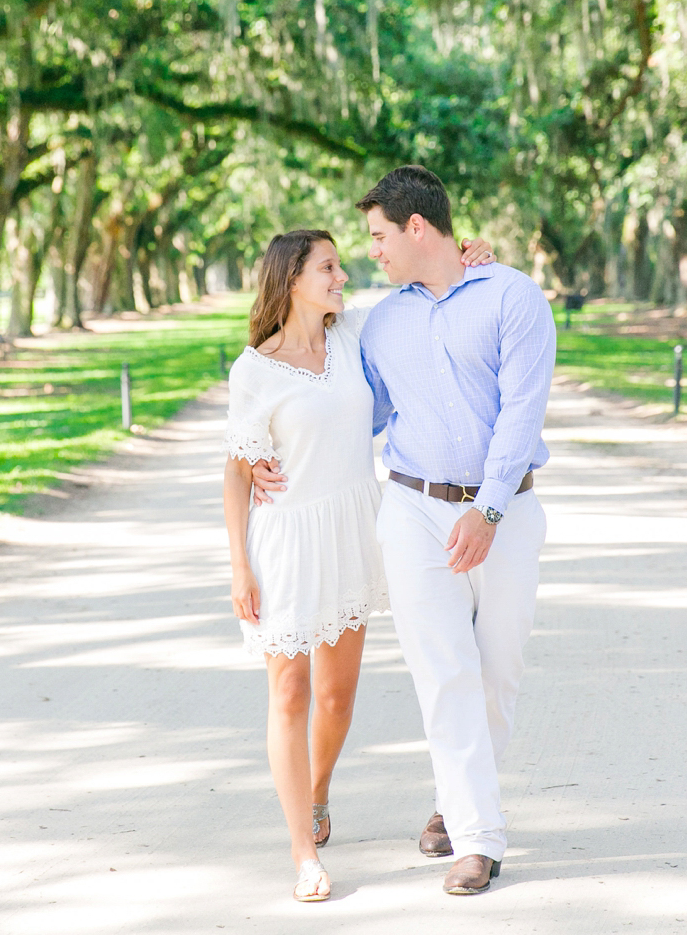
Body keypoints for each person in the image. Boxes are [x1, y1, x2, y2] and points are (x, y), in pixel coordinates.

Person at [253, 165, 555, 896]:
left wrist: (486, 511)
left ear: (417, 228)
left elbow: (521, 411)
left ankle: (457, 802)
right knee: (443, 670)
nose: (372, 254)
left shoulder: (515, 297)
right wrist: (265, 452)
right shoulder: (381, 320)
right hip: (414, 508)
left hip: (506, 509)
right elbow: (346, 401)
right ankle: (477, 838)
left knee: (496, 670)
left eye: (380, 236)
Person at [222, 227, 494, 903]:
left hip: (352, 532)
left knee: (338, 697)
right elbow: (234, 472)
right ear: (290, 279)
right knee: (289, 694)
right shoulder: (253, 370)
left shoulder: (354, 339)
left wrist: (464, 257)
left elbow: (418, 293)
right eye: (328, 268)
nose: (341, 277)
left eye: (342, 265)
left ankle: (316, 794)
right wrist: (238, 567)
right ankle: (302, 851)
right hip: (285, 545)